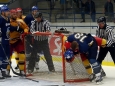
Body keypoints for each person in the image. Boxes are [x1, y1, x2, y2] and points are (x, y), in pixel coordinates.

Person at [0, 5, 23, 80]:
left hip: (7, 41)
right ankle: (0, 72)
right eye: (6, 11)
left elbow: (10, 27)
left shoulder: (7, 19)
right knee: (1, 57)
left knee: (6, 57)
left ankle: (3, 72)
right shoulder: (1, 19)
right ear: (2, 12)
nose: (8, 12)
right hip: (2, 41)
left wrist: (17, 28)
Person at [6, 9, 29, 77]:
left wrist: (25, 32)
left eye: (16, 14)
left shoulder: (20, 21)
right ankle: (7, 70)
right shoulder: (7, 21)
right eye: (13, 14)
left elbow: (26, 28)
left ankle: (21, 70)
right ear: (10, 14)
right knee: (8, 57)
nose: (15, 15)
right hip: (8, 41)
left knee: (22, 55)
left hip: (18, 40)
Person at [24, 6, 40, 72]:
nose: (35, 12)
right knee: (28, 51)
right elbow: (24, 25)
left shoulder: (40, 17)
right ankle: (27, 64)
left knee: (37, 51)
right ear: (32, 11)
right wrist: (25, 30)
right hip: (29, 36)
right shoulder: (28, 17)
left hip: (37, 37)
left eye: (36, 11)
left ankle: (36, 63)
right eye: (34, 11)